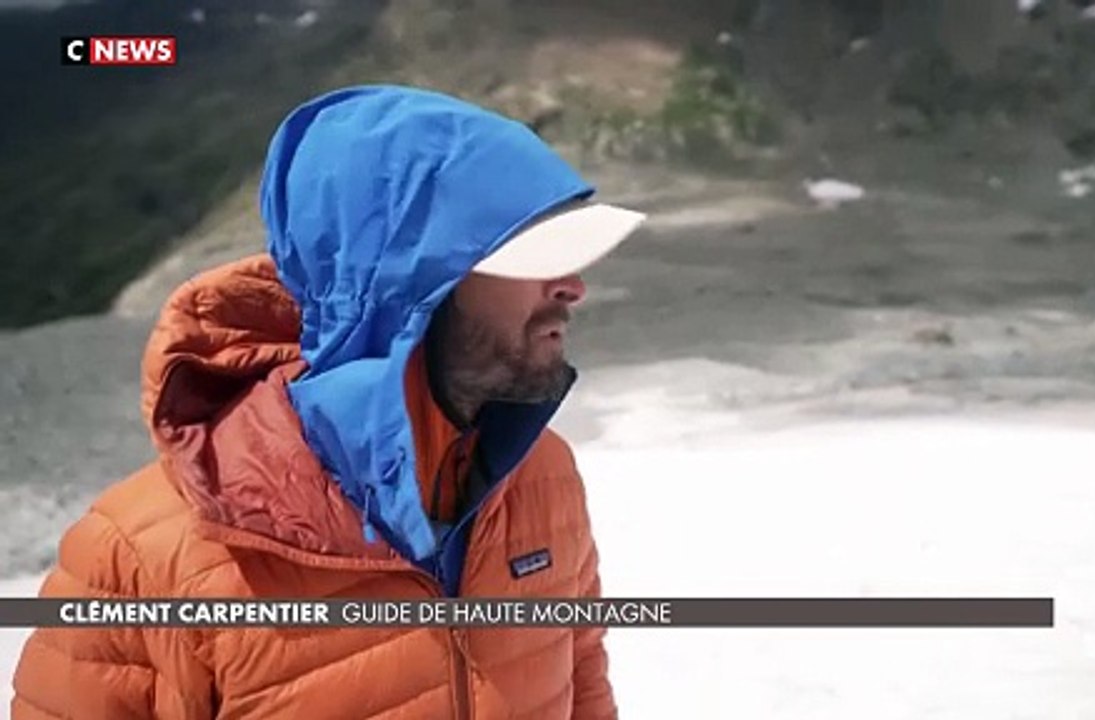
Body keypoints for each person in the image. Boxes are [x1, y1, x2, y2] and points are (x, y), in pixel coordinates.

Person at [10, 84, 646, 719]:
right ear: (409, 289)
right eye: (535, 257)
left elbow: (583, 685)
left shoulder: (542, 478)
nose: (573, 287)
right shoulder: (142, 556)